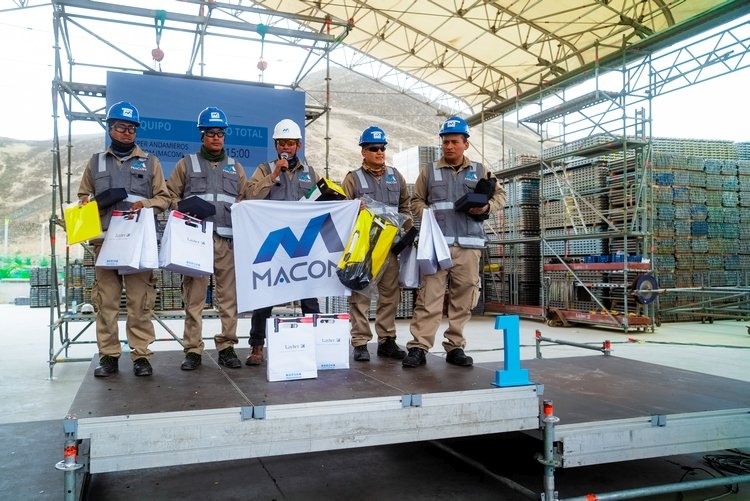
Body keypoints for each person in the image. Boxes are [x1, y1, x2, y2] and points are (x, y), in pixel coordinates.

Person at [402, 116, 505, 368]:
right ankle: (419, 347)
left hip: (469, 247)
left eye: (454, 142)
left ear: (465, 144)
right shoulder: (429, 171)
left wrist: (486, 208)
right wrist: (428, 214)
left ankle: (455, 346)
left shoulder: (480, 170)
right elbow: (416, 200)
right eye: (445, 142)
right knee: (429, 297)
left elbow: (501, 195)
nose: (449, 146)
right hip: (437, 247)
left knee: (463, 299)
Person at [77, 101, 170, 377]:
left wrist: (146, 204)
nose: (127, 133)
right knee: (106, 302)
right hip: (105, 242)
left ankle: (141, 355)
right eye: (122, 127)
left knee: (139, 301)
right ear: (110, 129)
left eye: (132, 129)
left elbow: (164, 198)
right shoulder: (96, 162)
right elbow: (83, 197)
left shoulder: (150, 162)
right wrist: (87, 202)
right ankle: (109, 356)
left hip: (136, 244)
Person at [166, 107, 249, 371]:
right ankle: (193, 350)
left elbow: (245, 201)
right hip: (195, 239)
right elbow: (169, 196)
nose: (216, 137)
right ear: (202, 135)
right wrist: (184, 208)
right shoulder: (186, 164)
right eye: (211, 133)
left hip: (226, 241)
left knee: (229, 298)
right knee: (194, 298)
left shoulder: (235, 167)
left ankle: (227, 346)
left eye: (220, 133)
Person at [244, 118, 321, 366]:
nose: (285, 147)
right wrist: (275, 174)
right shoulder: (264, 169)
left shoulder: (311, 173)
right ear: (276, 146)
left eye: (290, 142)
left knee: (309, 295)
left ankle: (318, 343)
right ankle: (257, 346)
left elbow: (326, 200)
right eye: (281, 143)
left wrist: (349, 207)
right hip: (274, 242)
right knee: (265, 296)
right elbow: (250, 195)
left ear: (298, 145)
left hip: (302, 244)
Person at [341, 126, 410, 362]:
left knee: (389, 295)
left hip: (389, 248)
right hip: (364, 249)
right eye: (373, 148)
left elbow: (405, 206)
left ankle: (387, 340)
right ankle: (360, 342)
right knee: (360, 295)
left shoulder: (396, 176)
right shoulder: (353, 178)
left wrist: (406, 230)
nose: (380, 152)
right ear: (363, 151)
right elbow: (342, 209)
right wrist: (354, 207)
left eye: (382, 148)